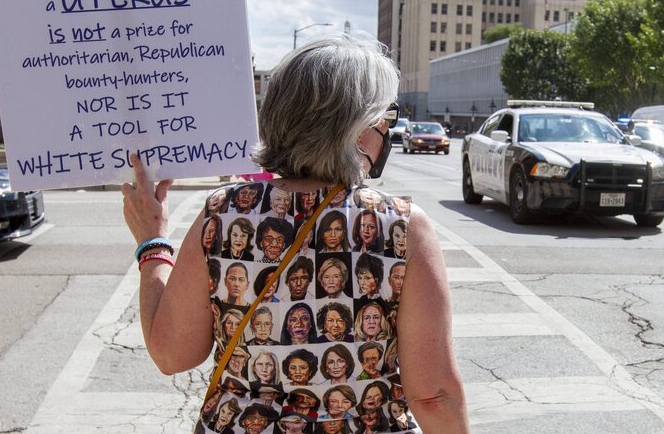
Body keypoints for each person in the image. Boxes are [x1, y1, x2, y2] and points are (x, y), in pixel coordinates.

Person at [122, 35, 469, 434]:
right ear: (358, 129)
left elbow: (171, 354)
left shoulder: (221, 214)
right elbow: (435, 395)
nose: (385, 132)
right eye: (384, 119)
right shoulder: (402, 227)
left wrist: (152, 242)